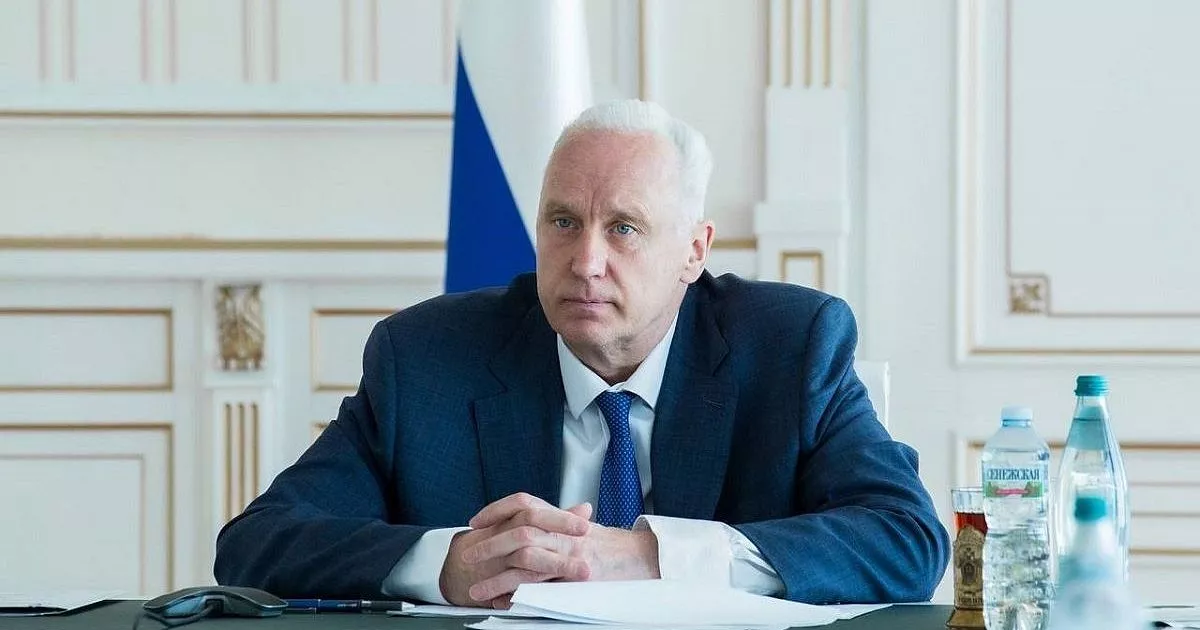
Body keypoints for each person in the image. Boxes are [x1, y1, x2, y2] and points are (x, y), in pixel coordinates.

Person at [214, 99, 950, 606]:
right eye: (563, 222)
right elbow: (259, 542)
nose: (586, 261)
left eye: (624, 228)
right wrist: (448, 564)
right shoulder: (428, 358)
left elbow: (907, 540)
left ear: (694, 251)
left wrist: (652, 556)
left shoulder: (791, 345)